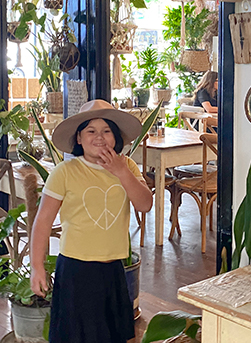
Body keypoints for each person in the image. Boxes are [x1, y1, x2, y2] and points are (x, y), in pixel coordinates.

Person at [30, 99, 153, 343]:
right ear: (78, 138)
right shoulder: (65, 172)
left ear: (116, 137)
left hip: (114, 269)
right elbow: (43, 221)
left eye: (107, 130)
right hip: (76, 270)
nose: (100, 137)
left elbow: (144, 204)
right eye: (91, 131)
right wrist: (36, 267)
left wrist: (120, 172)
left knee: (115, 336)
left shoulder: (127, 166)